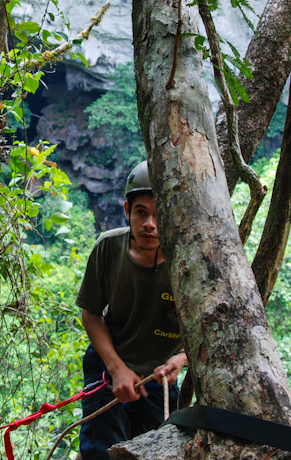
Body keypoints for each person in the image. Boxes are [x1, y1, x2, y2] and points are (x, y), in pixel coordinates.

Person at [76, 160, 188, 460]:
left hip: (157, 377)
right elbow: (91, 314)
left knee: (156, 451)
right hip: (108, 363)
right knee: (100, 451)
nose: (150, 224)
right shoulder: (108, 248)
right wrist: (116, 369)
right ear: (127, 210)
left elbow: (210, 327)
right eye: (141, 213)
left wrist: (181, 358)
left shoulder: (188, 259)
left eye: (159, 214)